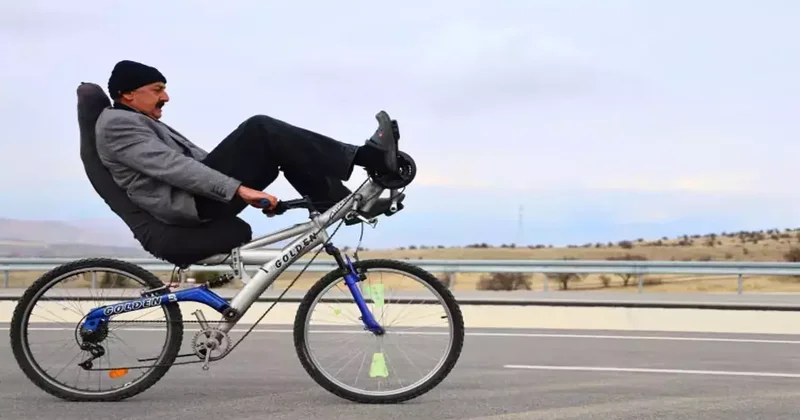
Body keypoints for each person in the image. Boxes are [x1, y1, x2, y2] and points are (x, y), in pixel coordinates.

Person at [94, 60, 399, 264]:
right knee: (261, 128)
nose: (167, 97)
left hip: (202, 197)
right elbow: (175, 168)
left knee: (279, 147)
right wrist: (241, 190)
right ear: (128, 94)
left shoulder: (138, 120)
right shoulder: (117, 124)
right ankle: (366, 157)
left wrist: (249, 188)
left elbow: (196, 160)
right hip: (191, 204)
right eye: (158, 90)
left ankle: (338, 201)